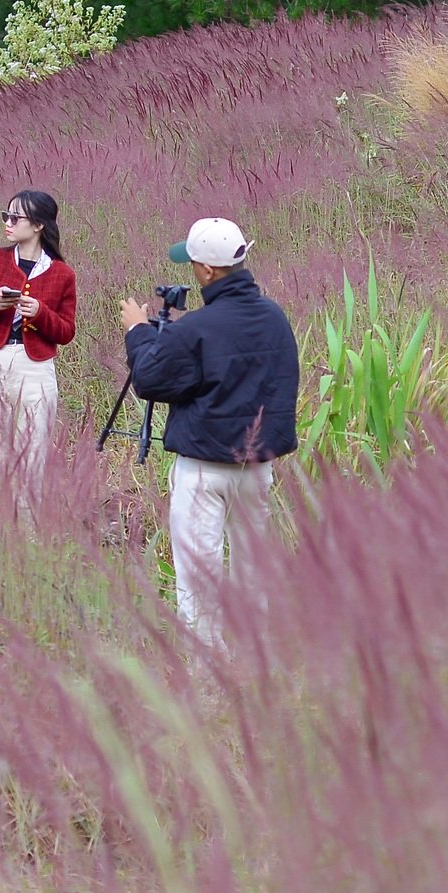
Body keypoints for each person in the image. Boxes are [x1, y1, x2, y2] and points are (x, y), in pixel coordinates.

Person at [120, 218, 299, 648]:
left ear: (206, 272)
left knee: (200, 579)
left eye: (194, 263)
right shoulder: (274, 317)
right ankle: (255, 662)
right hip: (256, 467)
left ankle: (207, 684)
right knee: (251, 572)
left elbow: (150, 379)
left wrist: (139, 332)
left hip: (203, 468)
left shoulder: (197, 328)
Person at [0, 190, 78, 477]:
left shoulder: (62, 274)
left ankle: (26, 520)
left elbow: (66, 332)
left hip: (35, 366)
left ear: (38, 225)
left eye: (16, 217)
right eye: (6, 216)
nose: (8, 222)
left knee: (32, 451)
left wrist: (39, 313)